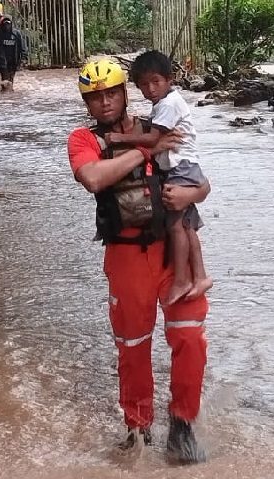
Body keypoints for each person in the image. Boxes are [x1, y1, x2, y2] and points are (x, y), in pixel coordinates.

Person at [66, 60, 211, 463]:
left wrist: (193, 195)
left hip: (172, 251)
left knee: (190, 337)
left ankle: (183, 425)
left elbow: (201, 179)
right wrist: (146, 150)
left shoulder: (157, 125)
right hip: (126, 256)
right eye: (95, 98)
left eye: (111, 93)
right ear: (87, 104)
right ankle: (138, 429)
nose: (104, 102)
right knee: (133, 346)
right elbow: (94, 178)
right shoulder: (84, 139)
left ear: (125, 93)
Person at [103, 50, 213, 306]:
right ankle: (200, 276)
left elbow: (153, 139)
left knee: (176, 226)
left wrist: (119, 138)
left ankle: (182, 280)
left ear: (170, 79)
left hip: (180, 168)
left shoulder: (168, 104)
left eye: (156, 82)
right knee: (187, 225)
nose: (150, 89)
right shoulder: (166, 103)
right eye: (143, 84)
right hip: (187, 167)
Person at [0, 17, 26, 90]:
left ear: (11, 24)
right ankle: (5, 92)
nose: (6, 26)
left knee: (11, 79)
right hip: (2, 60)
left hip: (13, 60)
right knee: (5, 79)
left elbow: (22, 47)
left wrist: (23, 58)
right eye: (5, 24)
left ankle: (9, 93)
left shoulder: (16, 34)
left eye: (8, 24)